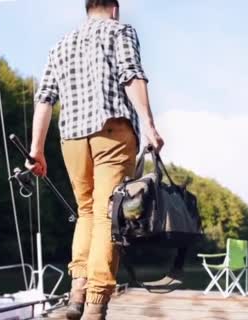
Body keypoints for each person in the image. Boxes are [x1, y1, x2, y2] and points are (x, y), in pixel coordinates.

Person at [26, 0, 163, 319]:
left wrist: (37, 149)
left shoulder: (60, 44)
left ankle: (77, 294)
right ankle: (95, 305)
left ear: (87, 8)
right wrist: (149, 124)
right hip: (111, 129)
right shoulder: (121, 31)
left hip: (71, 139)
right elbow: (132, 75)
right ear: (114, 8)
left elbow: (44, 98)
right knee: (107, 215)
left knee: (86, 211)